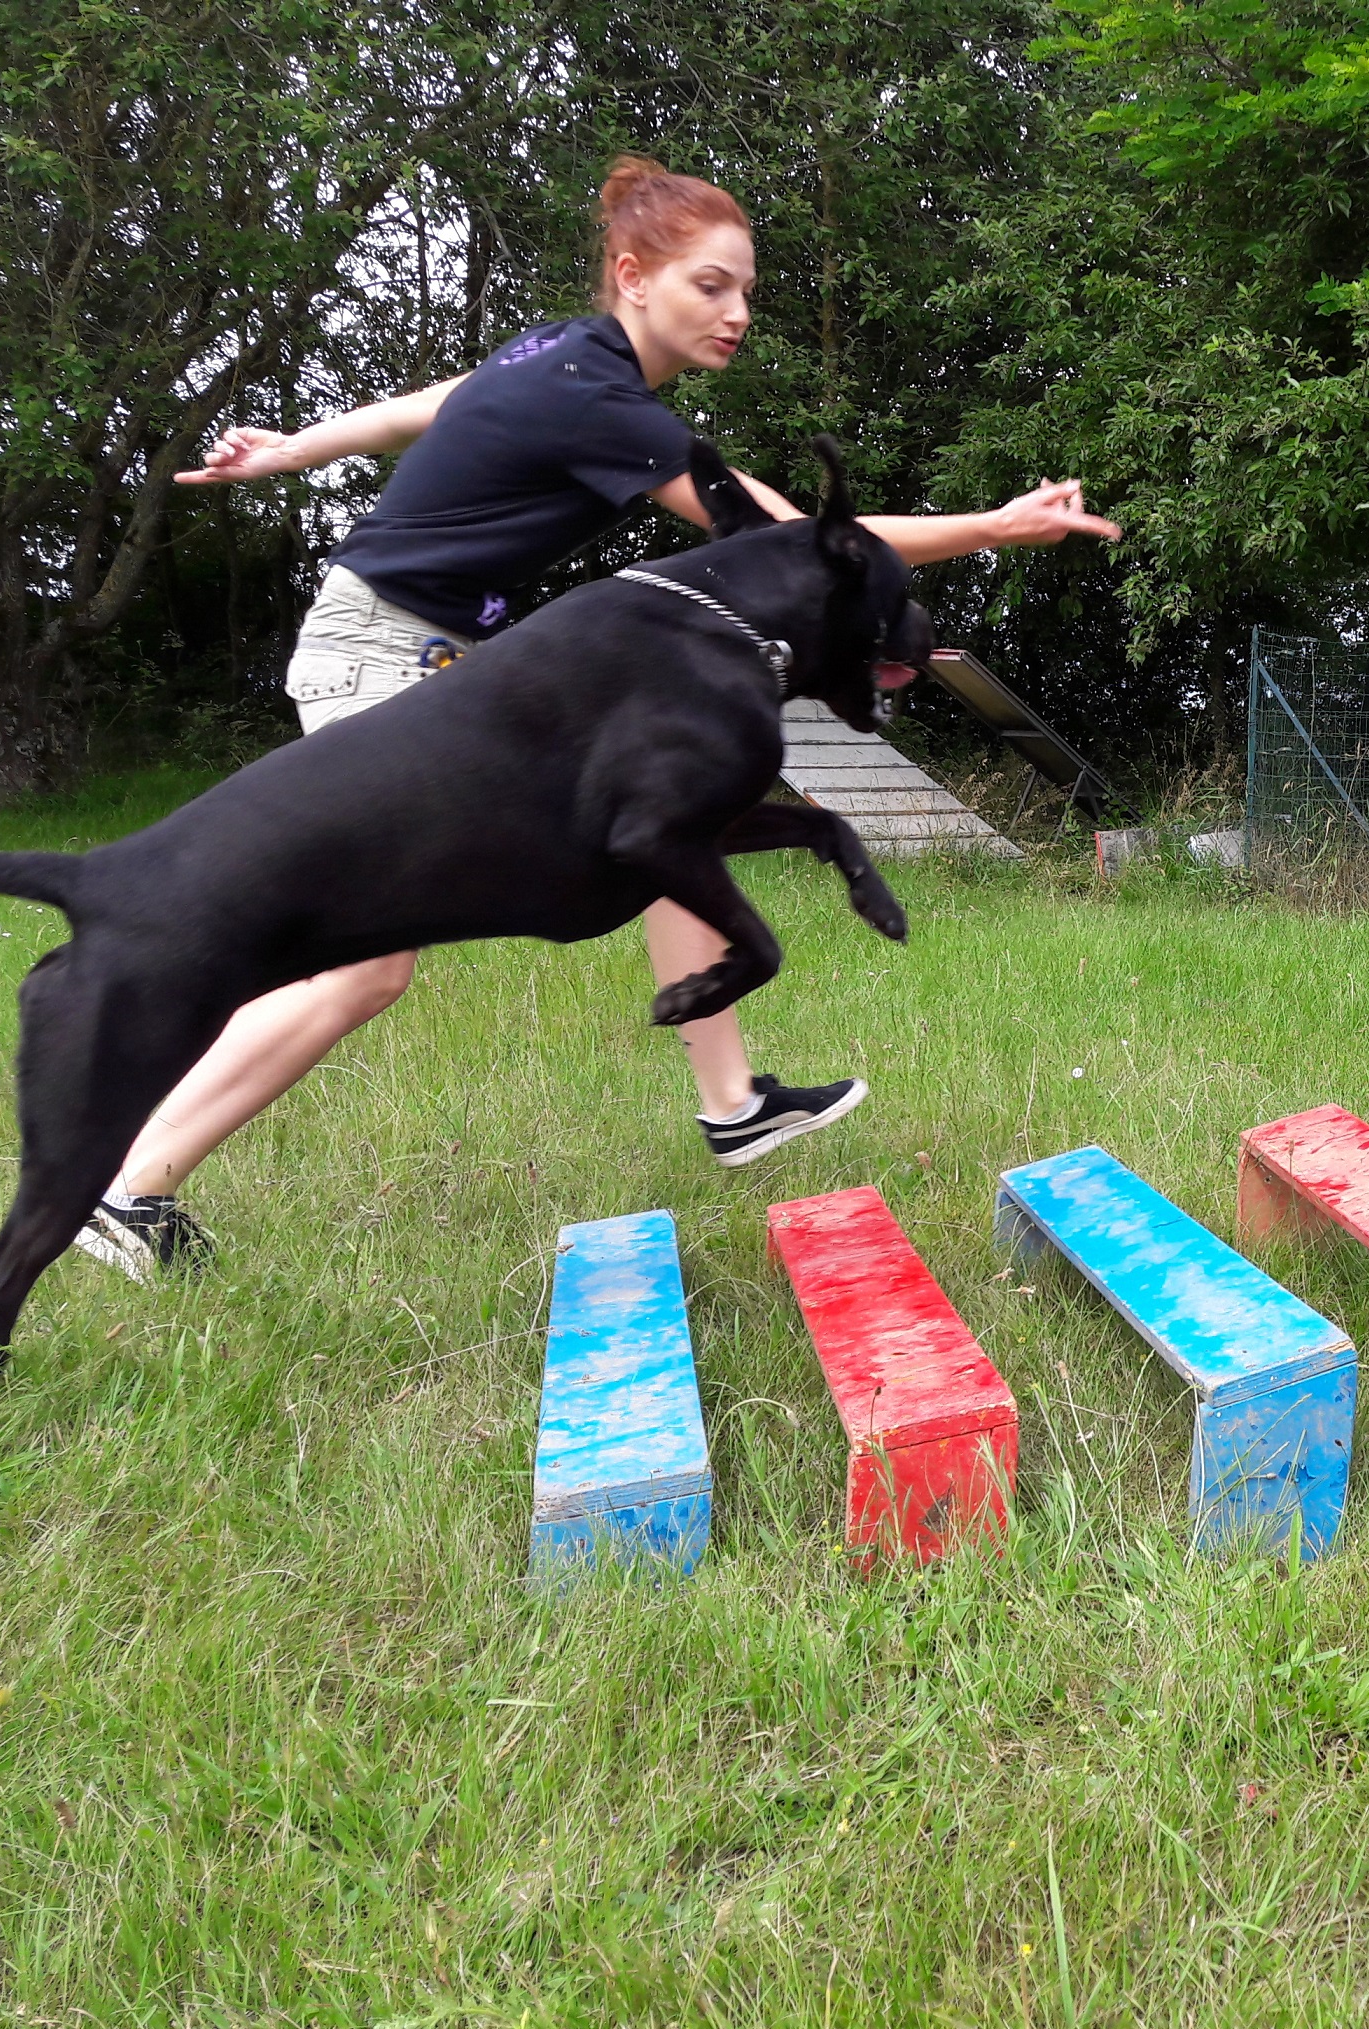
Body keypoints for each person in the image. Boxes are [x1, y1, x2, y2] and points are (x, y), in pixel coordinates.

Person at [74, 155, 1118, 1280]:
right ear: (633, 275)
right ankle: (127, 1186)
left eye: (747, 290)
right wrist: (995, 526)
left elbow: (428, 409)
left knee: (664, 813)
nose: (739, 313)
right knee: (366, 966)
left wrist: (299, 445)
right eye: (712, 286)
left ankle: (733, 1104)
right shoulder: (598, 394)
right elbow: (790, 541)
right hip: (382, 658)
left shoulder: (558, 356)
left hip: (442, 661)